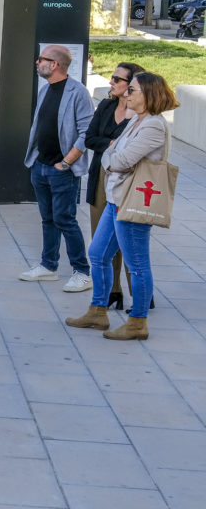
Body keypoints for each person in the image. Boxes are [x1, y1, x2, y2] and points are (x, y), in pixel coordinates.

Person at [66, 72, 178, 341]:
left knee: (137, 264)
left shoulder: (152, 125)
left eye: (133, 90)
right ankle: (98, 310)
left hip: (132, 202)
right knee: (98, 254)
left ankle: (138, 322)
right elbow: (109, 154)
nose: (127, 94)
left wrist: (112, 156)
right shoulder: (135, 120)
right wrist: (112, 156)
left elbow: (121, 158)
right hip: (117, 199)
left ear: (148, 95)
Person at [19, 45, 94, 293]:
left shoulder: (78, 92)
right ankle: (48, 266)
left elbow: (87, 132)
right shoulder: (45, 89)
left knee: (65, 220)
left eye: (42, 59)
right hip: (40, 166)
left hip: (62, 170)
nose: (37, 62)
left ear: (55, 65)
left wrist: (66, 162)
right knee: (48, 219)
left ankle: (82, 271)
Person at [84, 62, 145, 310]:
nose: (112, 82)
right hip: (101, 174)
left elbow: (131, 147)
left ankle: (140, 294)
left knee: (128, 238)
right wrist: (111, 144)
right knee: (102, 234)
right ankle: (113, 292)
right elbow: (89, 138)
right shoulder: (107, 106)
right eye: (112, 77)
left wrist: (111, 144)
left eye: (118, 79)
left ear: (131, 85)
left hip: (127, 180)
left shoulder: (140, 115)